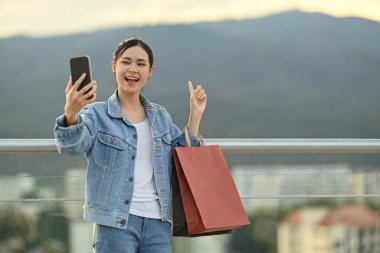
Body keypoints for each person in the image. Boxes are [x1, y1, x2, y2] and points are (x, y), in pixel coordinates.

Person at [54, 38, 207, 253]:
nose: (133, 69)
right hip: (116, 224)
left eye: (141, 64)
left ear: (150, 71)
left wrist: (195, 115)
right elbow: (72, 147)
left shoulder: (160, 116)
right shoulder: (96, 114)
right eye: (126, 62)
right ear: (114, 66)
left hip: (158, 223)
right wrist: (71, 113)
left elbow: (184, 158)